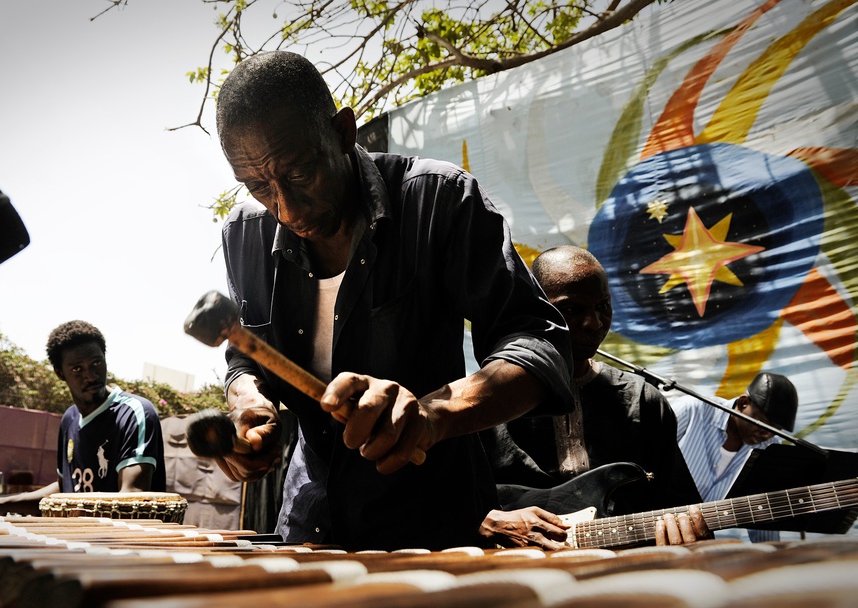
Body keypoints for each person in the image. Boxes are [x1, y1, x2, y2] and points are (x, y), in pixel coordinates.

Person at [211, 51, 574, 551]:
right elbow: (244, 355)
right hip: (313, 524)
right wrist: (249, 402)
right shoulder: (245, 237)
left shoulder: (437, 199)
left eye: (298, 174)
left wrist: (434, 414)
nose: (286, 208)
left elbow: (538, 341)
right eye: (257, 187)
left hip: (436, 529)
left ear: (342, 132)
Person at [479, 247, 707, 550]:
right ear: (534, 310)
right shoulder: (484, 400)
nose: (594, 323)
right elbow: (440, 504)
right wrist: (486, 522)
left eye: (603, 306)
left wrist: (691, 534)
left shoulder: (643, 399)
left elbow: (678, 505)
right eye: (572, 309)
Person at [0, 321, 166, 510]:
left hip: (125, 552)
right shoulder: (69, 420)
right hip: (81, 544)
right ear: (60, 373)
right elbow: (66, 489)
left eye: (96, 363)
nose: (91, 375)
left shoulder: (135, 413)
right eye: (77, 369)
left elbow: (132, 499)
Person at [673, 371, 799, 542]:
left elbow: (761, 512)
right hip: (653, 528)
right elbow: (641, 460)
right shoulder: (692, 410)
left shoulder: (770, 448)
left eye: (775, 429)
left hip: (706, 547)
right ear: (743, 403)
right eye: (762, 424)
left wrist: (772, 556)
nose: (766, 434)